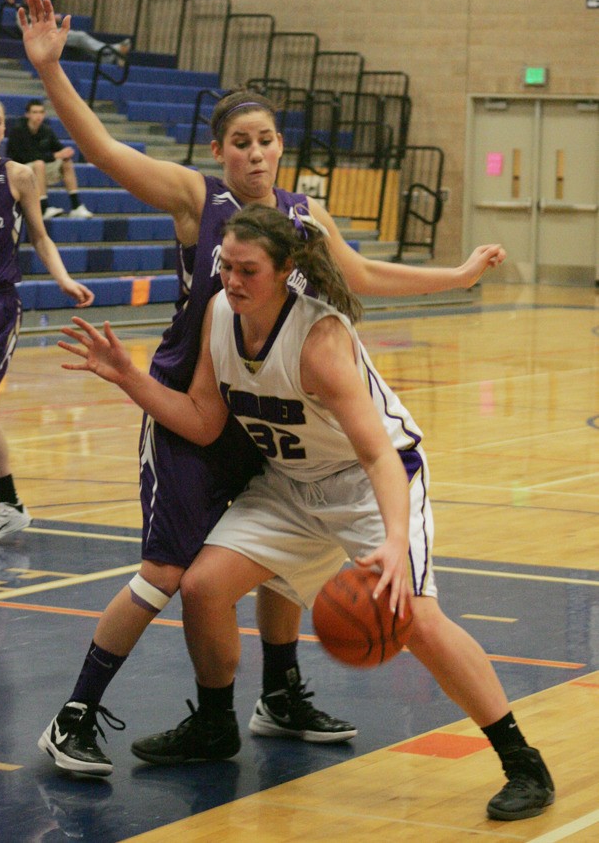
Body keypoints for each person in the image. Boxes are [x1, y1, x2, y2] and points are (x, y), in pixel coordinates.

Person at [20, 0, 507, 778]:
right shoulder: (196, 199)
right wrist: (50, 71)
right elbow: (105, 151)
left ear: (281, 148)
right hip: (189, 404)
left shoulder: (303, 217)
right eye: (240, 142)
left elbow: (360, 277)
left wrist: (454, 273)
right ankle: (79, 711)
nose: (254, 154)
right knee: (174, 571)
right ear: (219, 151)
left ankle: (278, 693)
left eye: (267, 141)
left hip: (261, 412)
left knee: (282, 549)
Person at [59, 204, 554, 823]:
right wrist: (129, 377)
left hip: (371, 486)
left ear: (286, 270)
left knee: (417, 620)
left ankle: (522, 761)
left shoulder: (319, 341)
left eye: (247, 270)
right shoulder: (219, 315)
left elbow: (378, 455)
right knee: (204, 586)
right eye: (225, 266)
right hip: (291, 486)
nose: (232, 281)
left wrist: (396, 546)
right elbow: (206, 423)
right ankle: (215, 725)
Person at [0, 95, 94, 545]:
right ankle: (11, 507)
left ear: (5, 131)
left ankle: (10, 507)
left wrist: (62, 279)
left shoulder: (18, 176)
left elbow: (40, 237)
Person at [6, 100, 94, 219]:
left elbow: (59, 148)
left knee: (66, 162)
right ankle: (43, 208)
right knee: (39, 164)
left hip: (38, 171)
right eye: (35, 112)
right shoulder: (18, 130)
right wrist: (54, 156)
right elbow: (25, 157)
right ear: (27, 114)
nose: (38, 115)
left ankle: (76, 206)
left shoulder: (46, 130)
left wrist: (66, 153)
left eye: (41, 112)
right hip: (18, 173)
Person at [16, 9, 132, 64]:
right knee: (80, 37)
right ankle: (114, 49)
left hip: (52, 32)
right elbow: (28, 29)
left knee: (81, 43)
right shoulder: (21, 12)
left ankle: (108, 58)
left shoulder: (38, 9)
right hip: (43, 37)